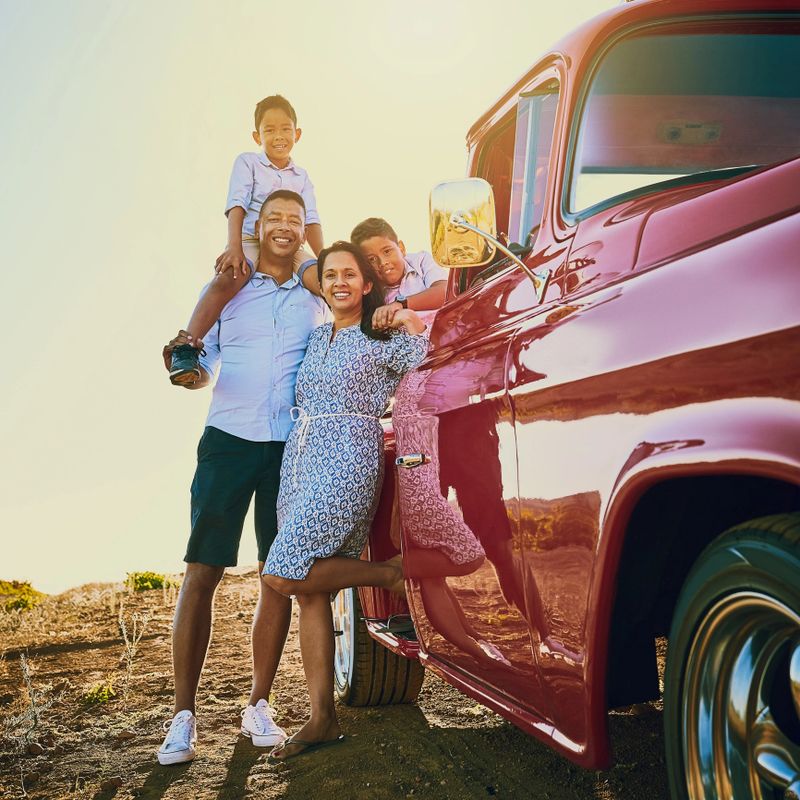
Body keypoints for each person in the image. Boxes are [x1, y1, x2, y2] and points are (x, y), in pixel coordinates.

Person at [157, 190, 328, 766]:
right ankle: (183, 716)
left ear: (305, 229)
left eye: (293, 219)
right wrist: (188, 371)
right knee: (202, 570)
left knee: (276, 577)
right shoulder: (231, 285)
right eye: (273, 218)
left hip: (290, 449)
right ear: (258, 226)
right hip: (228, 441)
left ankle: (259, 703)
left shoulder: (315, 296)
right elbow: (202, 365)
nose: (283, 226)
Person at [260, 240, 429, 761]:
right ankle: (321, 718)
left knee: (282, 575)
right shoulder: (315, 338)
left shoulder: (380, 334)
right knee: (311, 593)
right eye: (331, 274)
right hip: (301, 459)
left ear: (365, 282)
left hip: (350, 456)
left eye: (349, 274)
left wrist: (405, 317)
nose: (338, 282)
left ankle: (390, 573)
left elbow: (424, 356)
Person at [169, 94, 324, 385]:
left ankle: (361, 336)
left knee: (325, 280)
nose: (278, 136)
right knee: (227, 279)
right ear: (257, 136)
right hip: (253, 239)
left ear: (297, 133)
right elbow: (237, 203)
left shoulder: (302, 176)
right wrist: (234, 247)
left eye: (285, 129)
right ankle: (186, 346)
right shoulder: (248, 163)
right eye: (269, 130)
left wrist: (326, 258)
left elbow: (312, 219)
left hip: (292, 244)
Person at [350, 216, 448, 330]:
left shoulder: (420, 261)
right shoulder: (370, 291)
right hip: (411, 342)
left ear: (401, 248)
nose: (382, 262)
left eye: (387, 251)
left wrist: (401, 304)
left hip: (444, 334)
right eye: (371, 259)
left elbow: (444, 292)